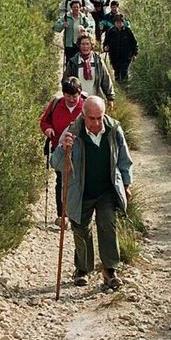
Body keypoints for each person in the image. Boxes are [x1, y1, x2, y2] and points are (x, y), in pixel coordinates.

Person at [50, 95, 133, 290]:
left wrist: (126, 184)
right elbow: (56, 164)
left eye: (99, 118)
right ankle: (82, 269)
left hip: (106, 189)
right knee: (80, 229)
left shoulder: (114, 130)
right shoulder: (72, 132)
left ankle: (110, 270)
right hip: (81, 190)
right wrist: (63, 149)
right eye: (91, 118)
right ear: (83, 115)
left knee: (108, 226)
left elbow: (124, 159)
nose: (96, 123)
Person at [39, 77, 84, 226]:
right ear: (63, 94)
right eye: (68, 96)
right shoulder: (56, 104)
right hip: (59, 150)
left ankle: (78, 214)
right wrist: (48, 129)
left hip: (80, 153)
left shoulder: (85, 106)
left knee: (79, 181)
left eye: (74, 96)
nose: (71, 99)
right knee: (61, 181)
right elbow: (44, 121)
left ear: (79, 94)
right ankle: (62, 215)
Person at [63, 34, 114, 106]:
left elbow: (106, 79)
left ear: (91, 45)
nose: (85, 47)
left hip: (95, 100)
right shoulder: (73, 62)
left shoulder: (98, 61)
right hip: (78, 102)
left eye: (87, 44)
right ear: (79, 45)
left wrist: (110, 97)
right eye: (83, 44)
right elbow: (66, 81)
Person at [104, 12, 139, 83]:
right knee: (117, 71)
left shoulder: (128, 31)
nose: (119, 23)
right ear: (114, 22)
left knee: (124, 71)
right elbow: (106, 42)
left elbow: (134, 43)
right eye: (117, 22)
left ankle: (125, 85)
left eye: (120, 22)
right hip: (114, 56)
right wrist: (105, 47)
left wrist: (134, 54)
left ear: (123, 22)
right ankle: (118, 85)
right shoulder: (110, 31)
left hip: (126, 56)